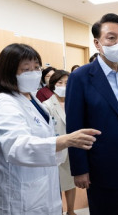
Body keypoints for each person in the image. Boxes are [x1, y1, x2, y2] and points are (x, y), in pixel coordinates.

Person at [0, 43, 100, 214]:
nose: (33, 73)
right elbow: (18, 147)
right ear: (8, 72)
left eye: (36, 67)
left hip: (42, 191)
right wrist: (66, 140)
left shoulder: (32, 100)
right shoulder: (4, 104)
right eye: (26, 69)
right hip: (17, 198)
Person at [65, 13, 118, 215]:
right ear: (97, 43)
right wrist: (80, 169)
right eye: (111, 38)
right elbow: (75, 126)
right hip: (102, 167)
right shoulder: (81, 77)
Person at [42, 70, 77, 215]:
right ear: (53, 85)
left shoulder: (74, 102)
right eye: (60, 83)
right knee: (56, 185)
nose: (64, 86)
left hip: (73, 148)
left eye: (67, 83)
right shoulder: (46, 105)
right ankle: (59, 211)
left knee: (71, 182)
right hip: (56, 149)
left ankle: (71, 210)